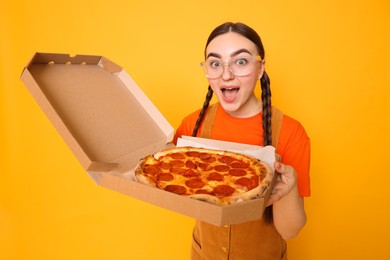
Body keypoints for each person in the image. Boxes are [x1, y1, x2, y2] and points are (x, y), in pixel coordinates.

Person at [173, 22, 311, 260]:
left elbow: (290, 231)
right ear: (206, 69)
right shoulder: (192, 125)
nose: (226, 74)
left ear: (261, 68)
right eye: (215, 63)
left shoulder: (290, 132)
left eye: (240, 61)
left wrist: (288, 190)